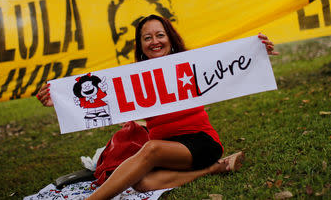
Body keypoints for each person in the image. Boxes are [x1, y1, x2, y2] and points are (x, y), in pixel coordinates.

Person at [36, 14, 278, 200]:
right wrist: (58, 100)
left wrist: (258, 51)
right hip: (168, 149)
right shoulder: (131, 80)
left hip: (201, 143)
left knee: (150, 149)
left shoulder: (191, 64)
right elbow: (93, 101)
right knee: (140, 183)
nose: (155, 41)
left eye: (160, 35)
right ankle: (214, 169)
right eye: (147, 37)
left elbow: (232, 63)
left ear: (169, 38)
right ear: (141, 44)